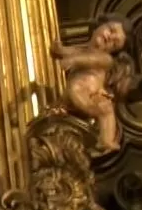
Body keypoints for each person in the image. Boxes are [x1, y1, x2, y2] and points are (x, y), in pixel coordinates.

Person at [53, 16, 133, 152]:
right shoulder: (83, 49)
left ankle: (107, 140)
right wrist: (60, 50)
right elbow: (68, 51)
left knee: (106, 109)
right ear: (100, 25)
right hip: (77, 89)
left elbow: (89, 60)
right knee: (102, 108)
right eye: (111, 30)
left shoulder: (106, 59)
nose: (109, 38)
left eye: (114, 43)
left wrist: (73, 61)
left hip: (90, 92)